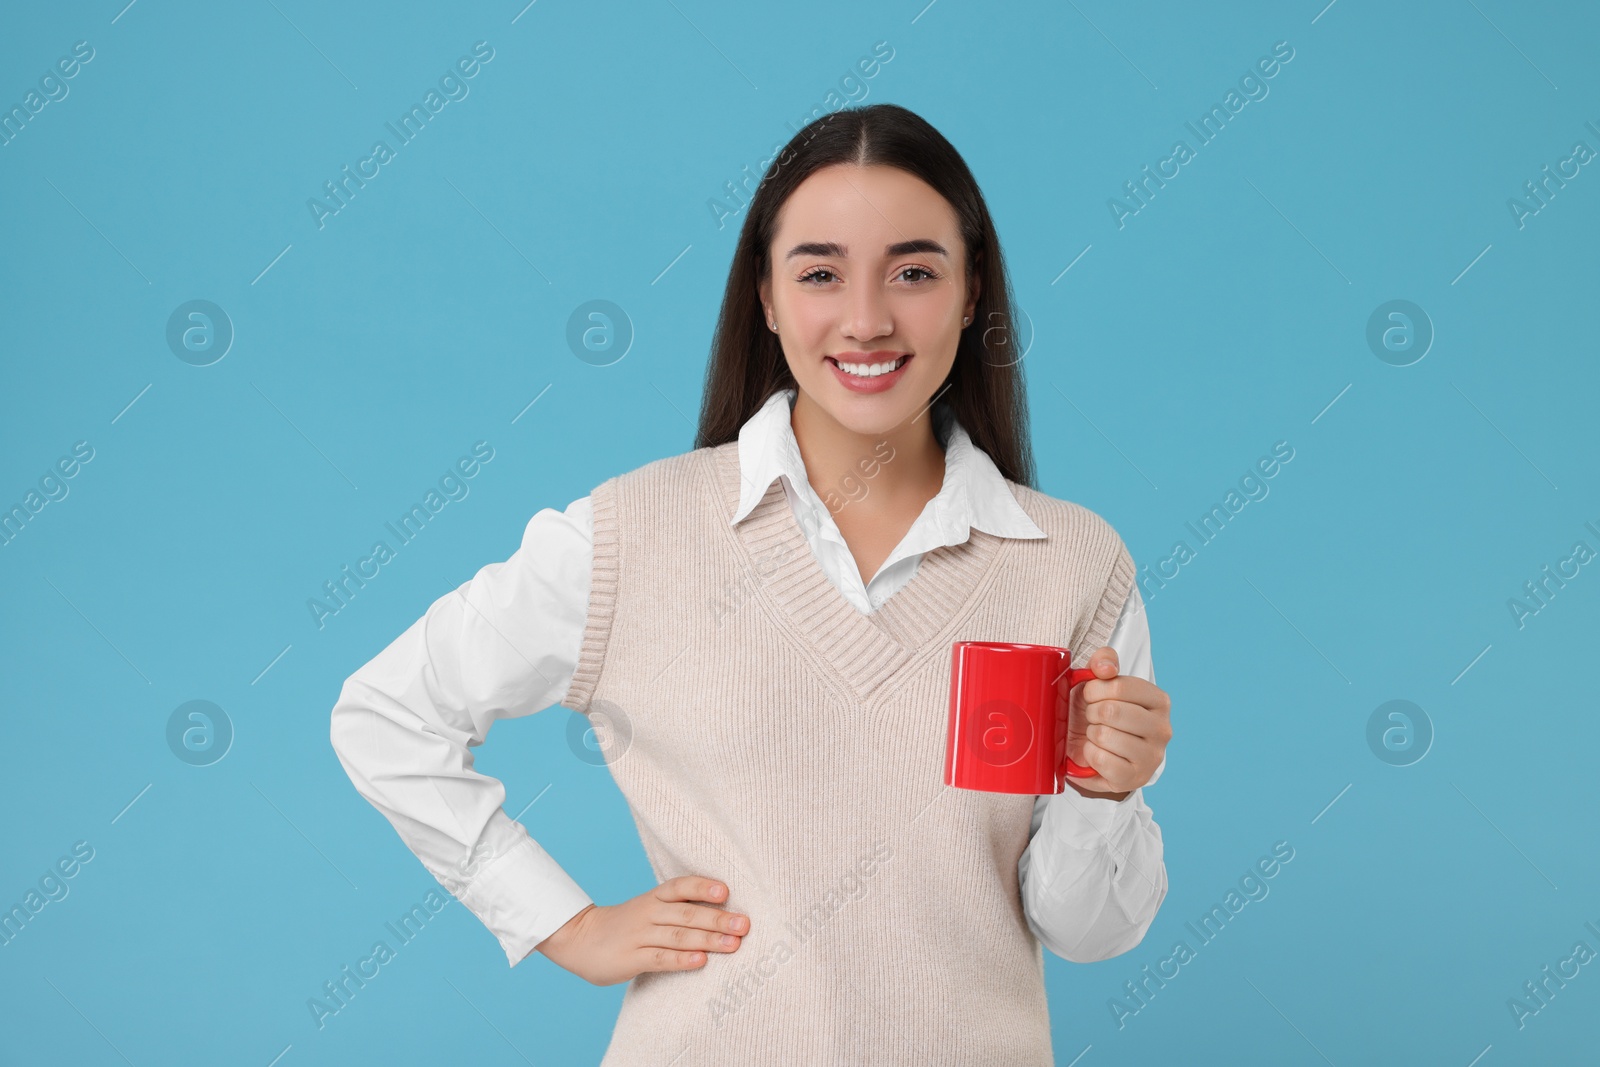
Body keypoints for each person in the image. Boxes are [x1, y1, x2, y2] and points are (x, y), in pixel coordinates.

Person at [330, 102, 1173, 1065]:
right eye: (820, 273)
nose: (866, 318)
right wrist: (565, 924)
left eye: (914, 272)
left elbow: (1085, 930)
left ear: (973, 290)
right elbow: (386, 714)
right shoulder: (633, 536)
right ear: (765, 297)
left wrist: (1104, 793)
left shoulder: (1071, 563)